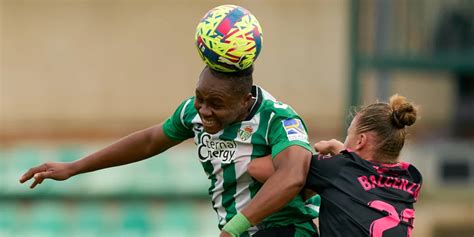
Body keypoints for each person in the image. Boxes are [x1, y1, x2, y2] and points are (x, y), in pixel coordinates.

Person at [19, 65, 319, 236]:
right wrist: (74, 167)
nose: (204, 110)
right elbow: (150, 140)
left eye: (216, 104)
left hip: (286, 229)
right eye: (199, 98)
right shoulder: (193, 112)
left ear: (244, 102)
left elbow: (293, 175)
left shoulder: (278, 118)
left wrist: (234, 227)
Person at [247, 94, 422, 237]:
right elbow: (365, 176)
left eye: (348, 135)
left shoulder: (337, 169)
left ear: (361, 141)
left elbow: (257, 168)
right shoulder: (412, 178)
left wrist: (320, 148)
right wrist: (340, 149)